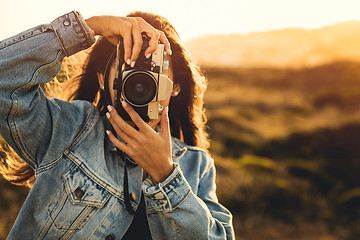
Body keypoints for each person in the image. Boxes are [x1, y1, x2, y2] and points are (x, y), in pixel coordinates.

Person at [0, 10, 235, 239]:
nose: (141, 83)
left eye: (155, 73)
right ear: (103, 79)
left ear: (176, 86)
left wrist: (166, 175)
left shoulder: (197, 164)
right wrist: (91, 27)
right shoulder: (69, 131)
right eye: (129, 69)